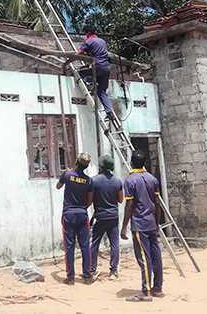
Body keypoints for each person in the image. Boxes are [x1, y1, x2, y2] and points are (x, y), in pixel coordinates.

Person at [121, 150, 164, 302]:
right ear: (144, 163)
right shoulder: (152, 179)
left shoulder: (130, 180)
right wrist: (157, 224)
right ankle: (157, 288)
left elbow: (129, 204)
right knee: (156, 255)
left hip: (140, 224)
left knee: (144, 259)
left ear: (131, 163)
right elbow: (157, 203)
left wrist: (124, 226)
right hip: (152, 222)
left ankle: (146, 292)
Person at [56, 152, 95, 285]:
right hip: (82, 214)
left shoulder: (67, 175)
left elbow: (58, 186)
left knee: (70, 246)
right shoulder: (89, 181)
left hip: (68, 215)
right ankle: (87, 276)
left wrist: (67, 172)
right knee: (85, 246)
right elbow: (89, 201)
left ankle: (70, 277)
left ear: (76, 163)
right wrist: (81, 208)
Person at [61, 25, 113, 117]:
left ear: (89, 33)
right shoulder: (102, 41)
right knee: (102, 91)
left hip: (96, 66)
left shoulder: (89, 42)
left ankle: (90, 84)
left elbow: (78, 54)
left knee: (77, 71)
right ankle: (109, 112)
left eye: (85, 33)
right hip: (106, 68)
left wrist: (66, 63)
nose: (85, 35)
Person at [90, 154, 123, 280]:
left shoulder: (93, 181)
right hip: (113, 216)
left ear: (100, 166)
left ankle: (92, 270)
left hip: (100, 216)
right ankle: (113, 271)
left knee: (95, 243)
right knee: (114, 243)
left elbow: (90, 198)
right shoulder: (117, 181)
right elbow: (120, 200)